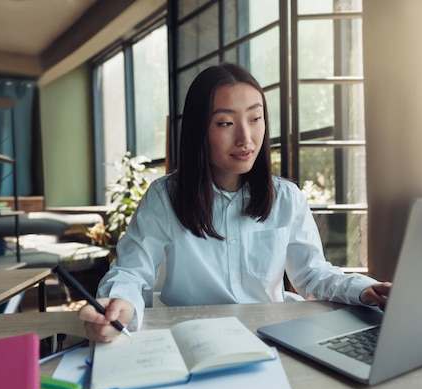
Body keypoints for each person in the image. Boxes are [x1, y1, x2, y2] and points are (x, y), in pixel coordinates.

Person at [79, 62, 392, 342]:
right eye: (225, 123)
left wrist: (364, 290)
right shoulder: (165, 198)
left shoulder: (286, 197)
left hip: (270, 335)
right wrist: (118, 305)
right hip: (193, 337)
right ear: (199, 131)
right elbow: (132, 271)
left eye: (255, 118)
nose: (246, 138)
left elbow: (312, 274)